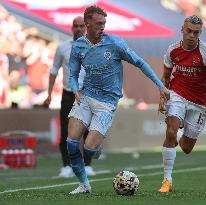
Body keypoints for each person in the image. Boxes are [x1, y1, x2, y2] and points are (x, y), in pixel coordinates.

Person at [67, 5, 169, 194]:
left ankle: (95, 148)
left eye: (104, 23)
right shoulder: (78, 46)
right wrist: (75, 89)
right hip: (86, 97)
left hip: (106, 103)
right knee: (71, 142)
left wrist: (160, 85)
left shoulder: (114, 43)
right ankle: (84, 184)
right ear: (87, 23)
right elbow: (72, 74)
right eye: (98, 23)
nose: (102, 27)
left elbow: (140, 62)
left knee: (89, 149)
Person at [158, 15, 206, 193]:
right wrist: (162, 98)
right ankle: (167, 181)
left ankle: (177, 133)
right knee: (170, 131)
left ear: (200, 33)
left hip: (199, 103)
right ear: (182, 30)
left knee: (186, 148)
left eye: (195, 32)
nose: (191, 35)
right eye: (189, 31)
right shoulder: (173, 50)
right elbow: (166, 77)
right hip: (177, 95)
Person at [43, 16, 95, 178]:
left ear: (86, 28)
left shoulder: (93, 47)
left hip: (87, 93)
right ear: (71, 28)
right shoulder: (63, 47)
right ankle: (67, 165)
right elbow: (53, 70)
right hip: (68, 94)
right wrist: (49, 94)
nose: (78, 29)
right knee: (66, 131)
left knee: (88, 129)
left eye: (81, 26)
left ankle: (86, 165)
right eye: (76, 26)